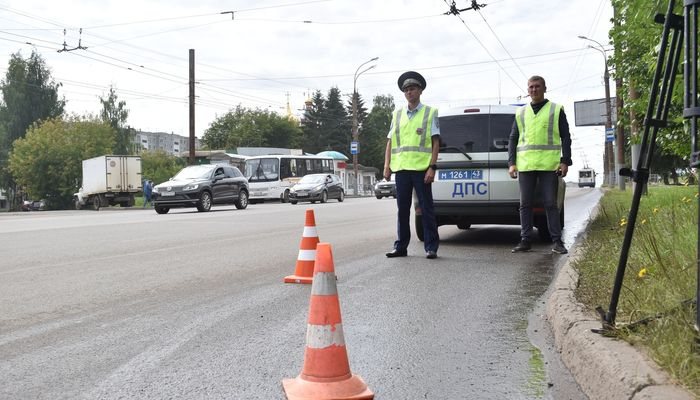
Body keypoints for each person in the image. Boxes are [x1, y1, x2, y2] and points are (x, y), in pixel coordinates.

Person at [508, 75, 572, 254]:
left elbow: (566, 137)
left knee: (550, 204)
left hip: (548, 165)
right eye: (530, 87)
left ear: (544, 88)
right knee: (525, 204)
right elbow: (513, 138)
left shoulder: (556, 109)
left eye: (537, 87)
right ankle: (525, 240)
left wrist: (565, 161)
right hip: (526, 165)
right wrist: (512, 163)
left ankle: (557, 242)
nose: (533, 90)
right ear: (527, 91)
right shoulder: (520, 112)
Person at [384, 71, 440, 259]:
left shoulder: (430, 112)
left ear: (420, 91)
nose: (409, 92)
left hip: (421, 169)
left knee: (426, 208)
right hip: (401, 169)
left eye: (413, 89)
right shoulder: (397, 114)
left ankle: (431, 247)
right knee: (402, 210)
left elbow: (435, 142)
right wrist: (386, 165)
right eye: (406, 90)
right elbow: (390, 142)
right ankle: (401, 246)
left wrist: (432, 167)